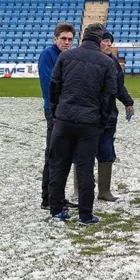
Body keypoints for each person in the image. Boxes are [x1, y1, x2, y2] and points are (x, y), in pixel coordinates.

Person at [48, 23, 118, 223]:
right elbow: (109, 94)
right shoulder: (106, 63)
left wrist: (56, 110)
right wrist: (102, 119)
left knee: (59, 165)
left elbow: (55, 85)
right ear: (99, 39)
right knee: (85, 168)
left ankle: (56, 209)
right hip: (89, 122)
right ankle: (85, 214)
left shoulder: (66, 56)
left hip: (64, 118)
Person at [37, 23, 78, 211]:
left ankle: (58, 196)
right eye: (63, 38)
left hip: (68, 111)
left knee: (64, 155)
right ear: (55, 39)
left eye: (70, 39)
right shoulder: (48, 55)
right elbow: (49, 85)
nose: (67, 42)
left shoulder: (71, 56)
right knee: (53, 154)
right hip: (55, 111)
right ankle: (48, 197)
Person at [97, 29, 134, 201]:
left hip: (109, 116)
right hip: (88, 116)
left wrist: (128, 102)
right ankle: (80, 190)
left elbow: (119, 86)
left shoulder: (113, 62)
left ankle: (104, 191)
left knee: (107, 151)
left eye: (110, 41)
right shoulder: (86, 59)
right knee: (83, 153)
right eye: (105, 40)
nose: (109, 44)